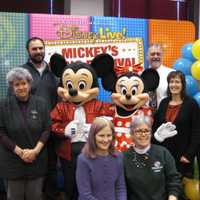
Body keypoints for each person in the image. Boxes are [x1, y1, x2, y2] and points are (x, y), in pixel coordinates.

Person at [0, 67, 51, 200]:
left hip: (36, 160)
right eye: (17, 84)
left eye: (24, 83)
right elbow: (1, 132)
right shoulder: (3, 105)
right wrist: (19, 152)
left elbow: (47, 129)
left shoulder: (41, 103)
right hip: (13, 161)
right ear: (12, 86)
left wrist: (35, 151)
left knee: (35, 196)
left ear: (29, 84)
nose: (21, 87)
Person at [21, 37, 59, 200]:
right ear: (28, 51)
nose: (38, 52)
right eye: (34, 49)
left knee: (51, 165)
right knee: (32, 163)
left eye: (40, 48)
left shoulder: (54, 74)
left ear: (44, 49)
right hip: (31, 128)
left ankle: (50, 195)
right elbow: (15, 98)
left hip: (51, 128)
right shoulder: (22, 72)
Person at [153, 71, 200, 178]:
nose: (174, 85)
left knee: (180, 190)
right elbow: (156, 127)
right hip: (164, 155)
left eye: (177, 82)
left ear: (183, 85)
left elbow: (197, 132)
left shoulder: (191, 104)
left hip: (182, 157)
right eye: (171, 82)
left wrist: (189, 155)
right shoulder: (164, 102)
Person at [123, 113, 181, 200]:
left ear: (151, 133)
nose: (143, 134)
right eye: (138, 131)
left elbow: (173, 180)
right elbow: (121, 188)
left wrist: (172, 196)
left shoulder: (163, 153)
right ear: (131, 134)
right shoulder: (124, 157)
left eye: (146, 131)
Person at [76, 117, 127, 200]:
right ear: (93, 136)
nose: (105, 140)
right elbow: (85, 195)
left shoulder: (118, 157)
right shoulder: (83, 160)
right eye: (101, 135)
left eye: (109, 135)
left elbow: (120, 188)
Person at [147, 43, 174, 109]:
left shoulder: (172, 74)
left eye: (158, 54)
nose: (155, 56)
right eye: (152, 54)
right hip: (146, 116)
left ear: (162, 56)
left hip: (166, 114)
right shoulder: (141, 75)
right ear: (147, 57)